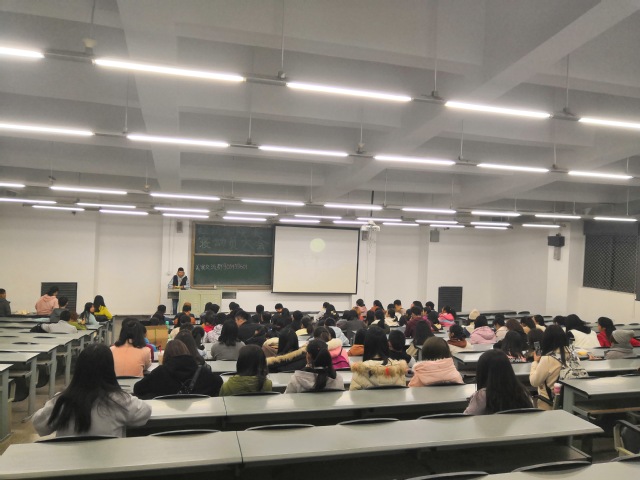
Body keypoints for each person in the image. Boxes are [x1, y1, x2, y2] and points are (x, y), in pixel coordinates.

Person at [32, 344, 151, 438]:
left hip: (68, 461)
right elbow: (145, 412)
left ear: (78, 369)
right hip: (109, 461)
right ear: (110, 369)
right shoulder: (121, 401)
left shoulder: (62, 401)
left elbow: (39, 425)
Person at [133, 339, 222, 399]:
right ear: (186, 351)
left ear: (166, 355)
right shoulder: (203, 372)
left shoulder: (159, 373)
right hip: (199, 417)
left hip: (167, 418)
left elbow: (137, 389)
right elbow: (219, 383)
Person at [464, 350, 533, 415]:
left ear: (482, 372)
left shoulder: (482, 395)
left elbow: (467, 416)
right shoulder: (522, 391)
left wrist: (474, 399)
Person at [529, 325, 576, 409]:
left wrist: (535, 362)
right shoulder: (573, 355)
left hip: (550, 403)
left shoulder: (547, 359)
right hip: (570, 401)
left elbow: (534, 382)